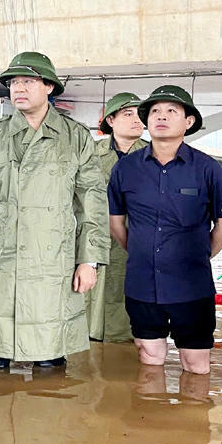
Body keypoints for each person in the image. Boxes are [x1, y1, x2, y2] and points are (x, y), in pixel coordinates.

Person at [0, 51, 109, 370]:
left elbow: (92, 204)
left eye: (28, 81)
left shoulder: (76, 137)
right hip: (0, 262)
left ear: (49, 87)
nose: (18, 88)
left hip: (53, 263)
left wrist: (88, 260)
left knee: (49, 365)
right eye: (13, 82)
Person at [108, 85, 222, 372]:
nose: (161, 116)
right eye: (155, 111)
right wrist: (142, 251)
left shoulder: (207, 168)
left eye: (171, 111)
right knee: (149, 358)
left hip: (192, 285)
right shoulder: (126, 168)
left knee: (195, 363)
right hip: (142, 284)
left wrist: (198, 255)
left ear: (189, 121)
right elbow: (116, 223)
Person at [87, 92, 146, 343]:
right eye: (128, 114)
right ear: (110, 121)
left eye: (140, 114)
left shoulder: (154, 154)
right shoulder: (90, 153)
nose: (136, 120)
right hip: (95, 241)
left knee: (132, 316)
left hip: (136, 241)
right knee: (91, 304)